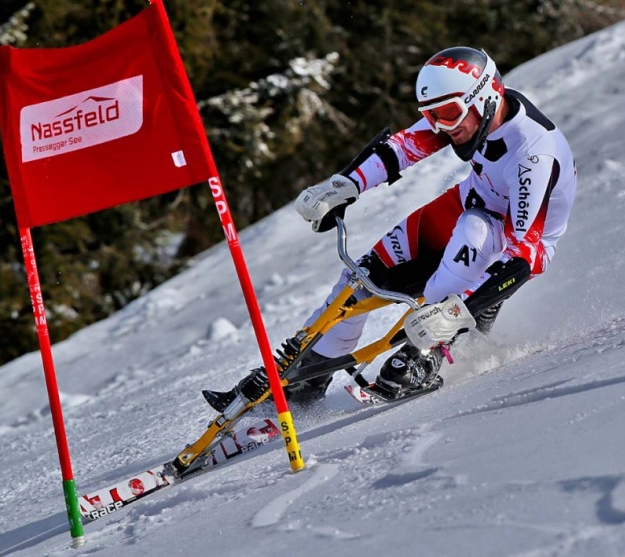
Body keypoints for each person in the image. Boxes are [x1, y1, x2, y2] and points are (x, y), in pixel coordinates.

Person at [208, 46, 577, 410]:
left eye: (449, 114)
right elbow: (404, 146)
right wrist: (342, 186)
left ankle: (429, 351)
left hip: (514, 237)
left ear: (486, 97)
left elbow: (524, 253)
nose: (443, 128)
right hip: (472, 201)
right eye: (433, 115)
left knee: (471, 236)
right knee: (363, 277)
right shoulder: (471, 114)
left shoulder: (533, 154)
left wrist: (459, 310)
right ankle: (310, 375)